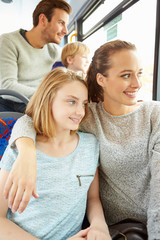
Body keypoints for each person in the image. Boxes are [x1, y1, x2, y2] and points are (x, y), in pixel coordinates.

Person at [2, 39, 160, 240]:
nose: (137, 84)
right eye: (126, 75)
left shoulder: (153, 115)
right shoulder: (88, 117)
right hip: (118, 227)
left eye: (139, 73)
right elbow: (31, 118)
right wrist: (26, 151)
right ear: (102, 79)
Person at [0, 67, 111, 240]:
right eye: (71, 102)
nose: (80, 112)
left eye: (83, 103)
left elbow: (92, 198)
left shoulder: (91, 145)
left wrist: (99, 225)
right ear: (48, 101)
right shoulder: (19, 149)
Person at [0, 0, 71, 113]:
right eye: (61, 23)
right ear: (43, 20)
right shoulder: (9, 41)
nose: (66, 31)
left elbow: (74, 55)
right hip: (9, 103)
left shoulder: (52, 50)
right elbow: (8, 86)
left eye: (66, 25)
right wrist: (48, 94)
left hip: (36, 101)